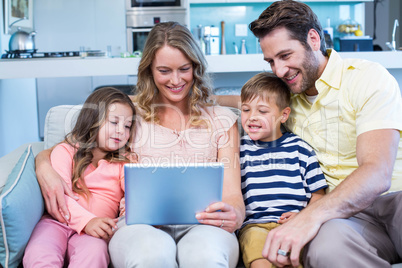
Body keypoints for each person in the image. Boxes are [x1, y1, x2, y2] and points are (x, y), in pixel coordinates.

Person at [35, 21, 245, 268]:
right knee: (150, 255)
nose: (176, 80)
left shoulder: (222, 120)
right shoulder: (128, 113)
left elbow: (233, 195)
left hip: (206, 225)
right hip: (138, 225)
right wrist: (42, 165)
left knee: (205, 257)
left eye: (184, 69)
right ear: (150, 71)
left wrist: (235, 216)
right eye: (164, 71)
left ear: (196, 68)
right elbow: (76, 141)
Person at [247, 0, 402, 267]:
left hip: (396, 200)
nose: (279, 71)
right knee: (326, 249)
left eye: (285, 56)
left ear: (314, 39)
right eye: (270, 61)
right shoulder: (285, 99)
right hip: (344, 218)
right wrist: (198, 99)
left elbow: (377, 173)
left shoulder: (367, 78)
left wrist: (308, 217)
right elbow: (243, 103)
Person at [24, 87, 136, 267]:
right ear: (93, 119)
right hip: (57, 223)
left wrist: (128, 212)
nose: (121, 131)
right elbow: (60, 196)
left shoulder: (125, 162)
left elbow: (133, 194)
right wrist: (86, 221)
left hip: (95, 232)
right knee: (40, 252)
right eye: (114, 122)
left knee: (94, 254)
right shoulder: (66, 151)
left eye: (127, 126)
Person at [238, 72, 327, 268]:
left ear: (283, 115)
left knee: (292, 260)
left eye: (262, 111)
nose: (252, 117)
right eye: (245, 110)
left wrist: (303, 216)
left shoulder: (300, 149)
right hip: (255, 226)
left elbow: (318, 193)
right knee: (259, 260)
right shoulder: (239, 150)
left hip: (294, 225)